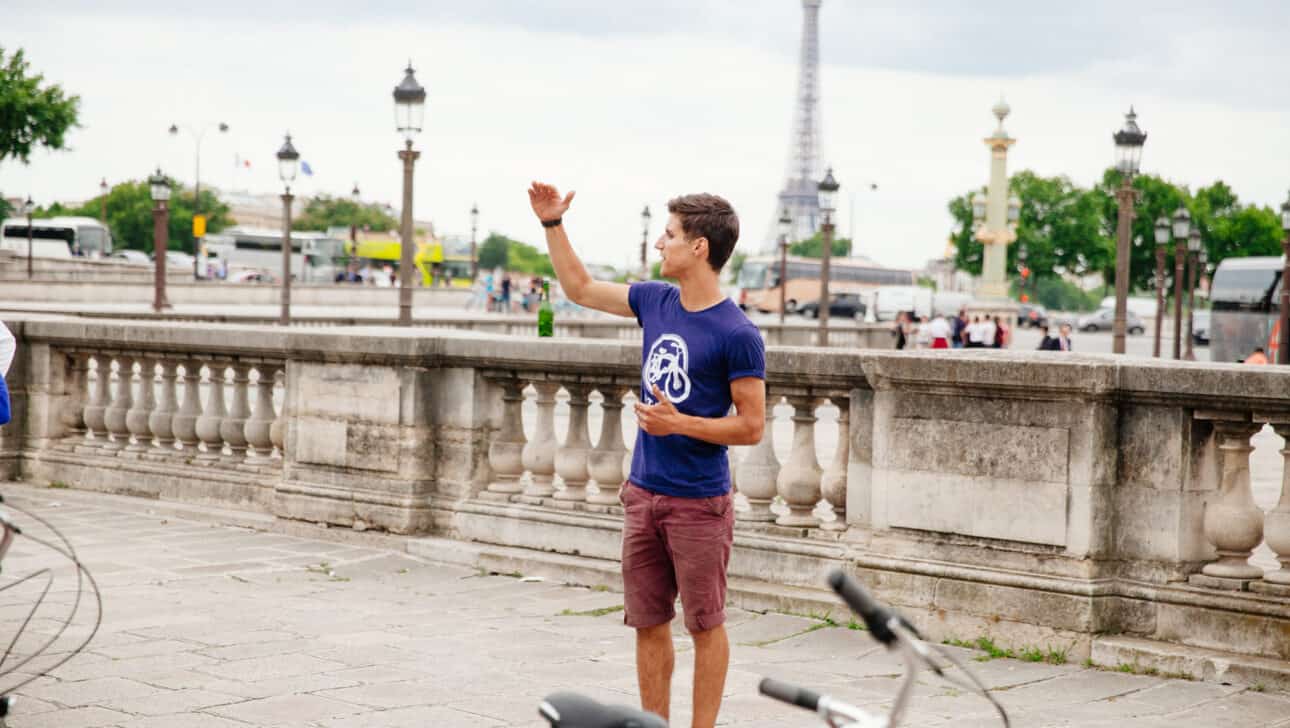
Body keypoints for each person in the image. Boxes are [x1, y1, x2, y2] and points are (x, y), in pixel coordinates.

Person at [527, 182, 765, 728]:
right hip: (643, 493)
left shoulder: (738, 333)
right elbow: (581, 288)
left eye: (671, 234)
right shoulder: (656, 301)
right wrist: (552, 225)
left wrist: (679, 422)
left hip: (698, 502)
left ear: (699, 247)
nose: (661, 243)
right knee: (648, 622)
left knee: (705, 625)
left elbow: (751, 426)